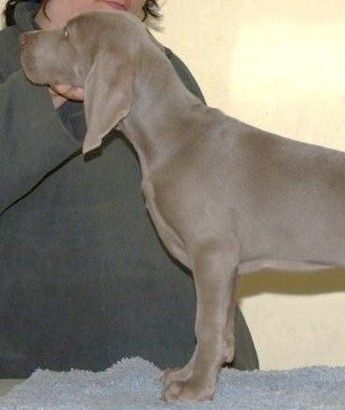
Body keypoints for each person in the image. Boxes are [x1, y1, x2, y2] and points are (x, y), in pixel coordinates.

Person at [0, 0, 259, 377]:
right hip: (55, 388)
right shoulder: (5, 58)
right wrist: (47, 92)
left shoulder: (164, 67)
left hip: (209, 383)